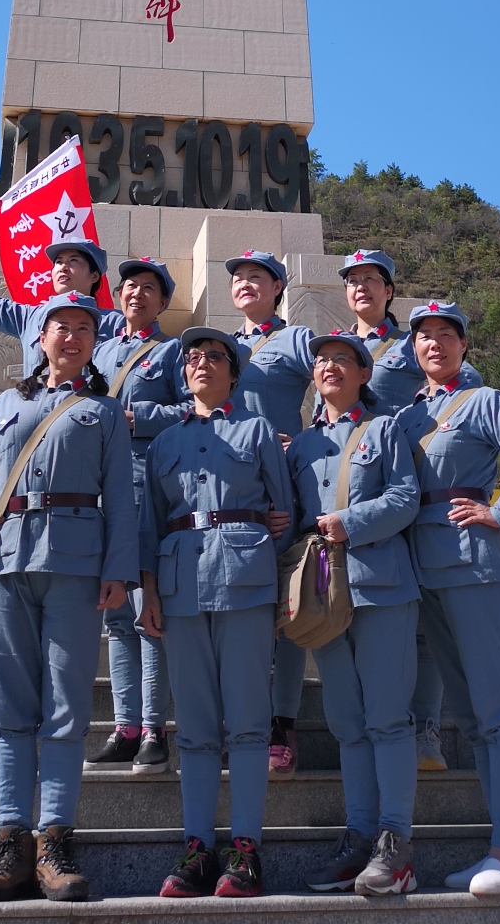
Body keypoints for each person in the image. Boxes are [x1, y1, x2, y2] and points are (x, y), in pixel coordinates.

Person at [0, 291, 138, 903]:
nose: (74, 337)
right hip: (6, 562)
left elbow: (121, 497)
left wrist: (119, 571)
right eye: (63, 327)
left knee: (65, 707)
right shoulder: (6, 402)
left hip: (78, 569)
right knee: (9, 706)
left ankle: (55, 837)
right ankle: (13, 837)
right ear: (41, 336)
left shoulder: (104, 412)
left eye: (85, 328)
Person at [396, 300, 500, 898]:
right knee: (468, 716)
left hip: (472, 563)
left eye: (446, 335)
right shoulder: (409, 413)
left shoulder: (483, 401)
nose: (434, 344)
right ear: (412, 348)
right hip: (423, 568)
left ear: (464, 346)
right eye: (424, 337)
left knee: (498, 713)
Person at [139, 325, 293, 900]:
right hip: (179, 587)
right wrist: (149, 592)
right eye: (193, 357)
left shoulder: (255, 431)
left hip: (246, 585)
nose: (202, 363)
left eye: (215, 357)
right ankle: (198, 847)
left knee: (249, 724)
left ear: (234, 371)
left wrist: (261, 561)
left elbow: (284, 512)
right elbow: (151, 524)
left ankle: (246, 850)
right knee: (198, 728)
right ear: (183, 373)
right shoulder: (162, 442)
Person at [334, 249, 481, 773]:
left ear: (390, 290)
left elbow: (466, 395)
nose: (361, 289)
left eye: (371, 280)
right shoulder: (340, 350)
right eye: (352, 281)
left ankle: (424, 729)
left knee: (424, 623)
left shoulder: (418, 342)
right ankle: (373, 724)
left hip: (420, 494)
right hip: (361, 500)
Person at [288, 331, 422, 897]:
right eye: (321, 361)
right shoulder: (298, 446)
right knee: (346, 722)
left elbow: (405, 497)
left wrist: (350, 521)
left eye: (343, 360)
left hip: (381, 587)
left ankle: (396, 845)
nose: (330, 367)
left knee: (388, 718)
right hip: (322, 596)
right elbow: (294, 515)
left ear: (364, 375)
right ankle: (361, 834)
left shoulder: (384, 429)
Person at [86, 257, 186, 774]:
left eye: (149, 289)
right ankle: (125, 727)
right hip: (99, 493)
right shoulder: (99, 350)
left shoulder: (172, 352)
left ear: (163, 302)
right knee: (116, 617)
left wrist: (137, 416)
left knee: (149, 617)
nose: (136, 294)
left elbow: (193, 409)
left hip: (146, 493)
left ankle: (154, 729)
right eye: (129, 287)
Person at [220, 250, 317, 778]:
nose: (245, 284)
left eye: (257, 277)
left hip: (279, 489)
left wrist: (304, 441)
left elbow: (335, 384)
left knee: (285, 610)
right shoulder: (222, 347)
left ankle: (282, 725)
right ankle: (244, 723)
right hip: (232, 494)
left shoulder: (295, 339)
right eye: (238, 278)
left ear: (278, 287)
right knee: (245, 612)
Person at [0, 231, 122, 376]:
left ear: (95, 276)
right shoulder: (31, 317)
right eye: (58, 262)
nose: (63, 267)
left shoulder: (116, 324)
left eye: (74, 261)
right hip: (42, 418)